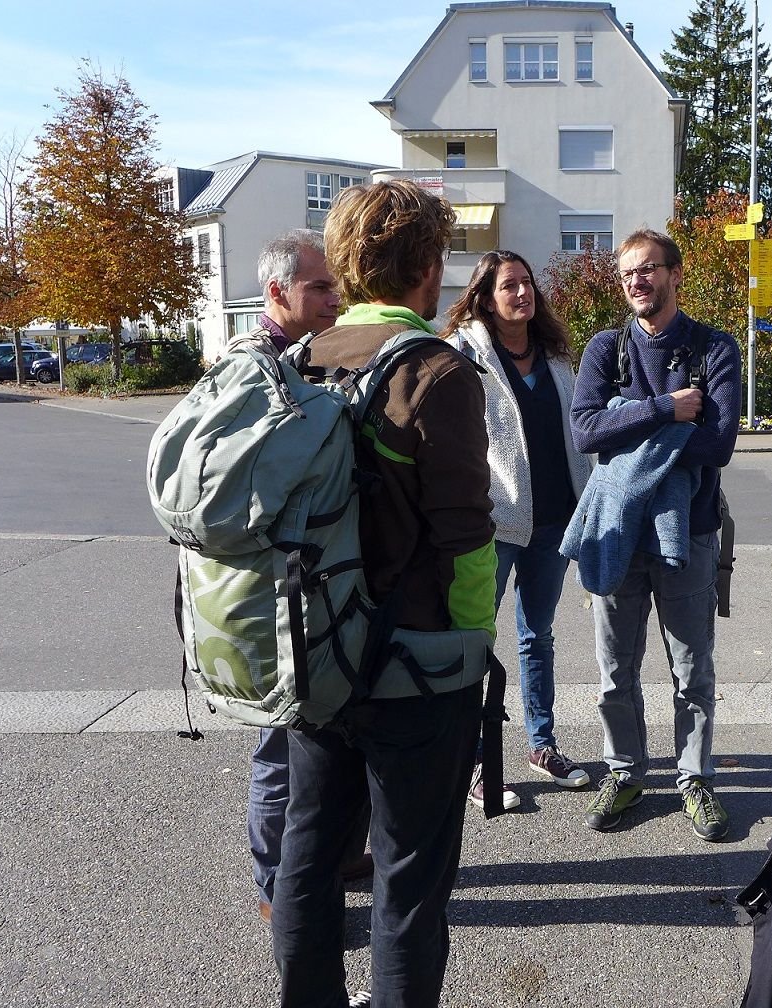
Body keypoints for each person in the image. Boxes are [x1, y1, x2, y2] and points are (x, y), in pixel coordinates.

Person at [272, 181, 496, 1008]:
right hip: (413, 664)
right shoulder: (436, 373)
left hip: (312, 652)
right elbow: (466, 539)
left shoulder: (300, 360)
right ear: (428, 265)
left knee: (309, 852)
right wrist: (472, 652)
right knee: (409, 878)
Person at [568, 228, 741, 841]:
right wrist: (664, 409)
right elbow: (587, 430)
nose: (636, 282)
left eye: (647, 270)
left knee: (692, 668)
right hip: (614, 531)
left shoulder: (713, 349)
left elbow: (718, 443)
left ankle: (695, 779)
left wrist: (627, 424)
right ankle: (626, 771)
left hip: (688, 532)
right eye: (627, 274)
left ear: (674, 275)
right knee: (615, 669)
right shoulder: (605, 348)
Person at [242, 230, 373, 925]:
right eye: (319, 287)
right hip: (276, 589)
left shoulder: (306, 360)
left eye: (334, 286)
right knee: (279, 745)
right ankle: (275, 891)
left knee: (331, 728)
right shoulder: (253, 372)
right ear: (276, 293)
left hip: (317, 581)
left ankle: (343, 854)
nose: (334, 297)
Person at [442, 250, 593, 809]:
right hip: (495, 523)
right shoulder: (464, 355)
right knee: (477, 640)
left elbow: (578, 430)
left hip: (555, 519)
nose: (522, 293)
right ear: (486, 296)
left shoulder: (555, 356)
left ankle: (542, 744)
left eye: (527, 283)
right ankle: (480, 759)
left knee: (537, 636)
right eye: (509, 285)